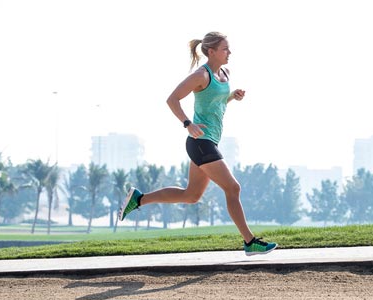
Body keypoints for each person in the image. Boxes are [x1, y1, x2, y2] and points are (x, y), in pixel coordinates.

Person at [118, 31, 277, 256]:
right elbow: (172, 99)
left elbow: (215, 103)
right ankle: (250, 242)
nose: (229, 52)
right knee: (233, 188)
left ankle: (139, 199)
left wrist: (232, 96)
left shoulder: (224, 72)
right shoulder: (201, 75)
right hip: (200, 142)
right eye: (225, 49)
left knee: (191, 195)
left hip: (209, 142)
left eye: (228, 48)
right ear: (211, 52)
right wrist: (187, 123)